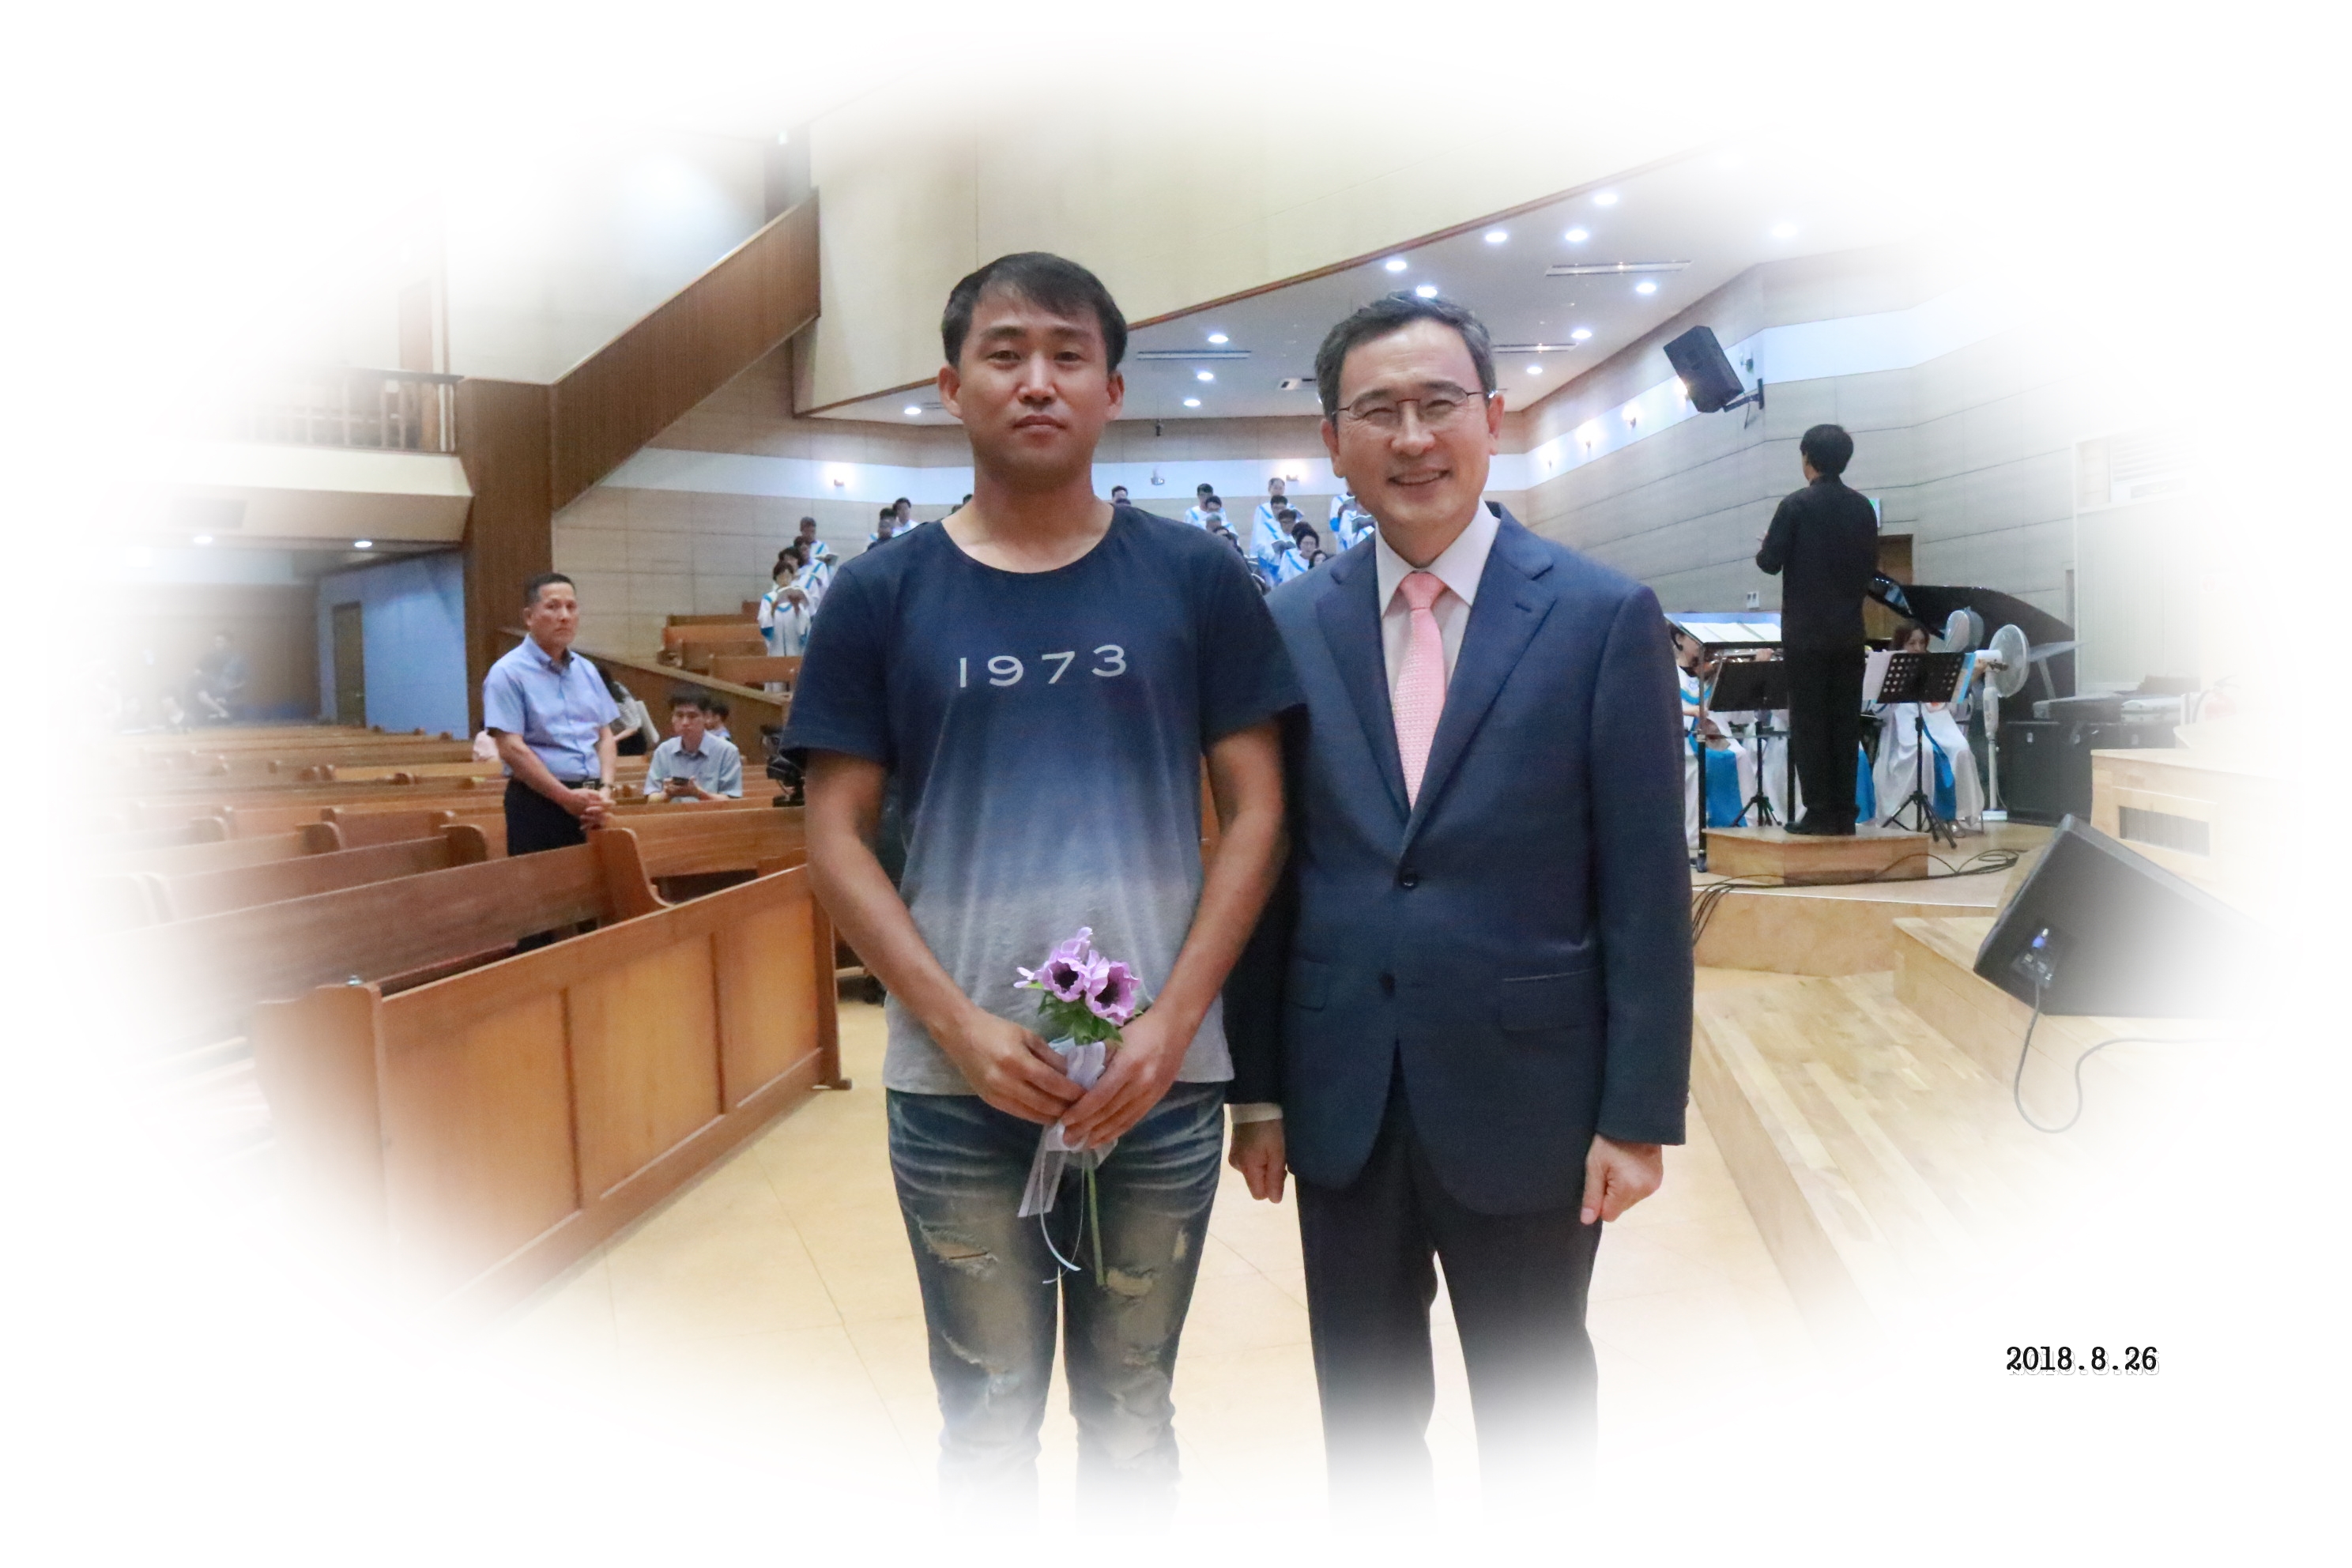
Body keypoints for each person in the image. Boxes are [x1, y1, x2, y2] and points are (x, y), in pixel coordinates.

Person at [785, 251, 1297, 1514]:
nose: (1037, 381)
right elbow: (834, 835)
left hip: (1156, 1082)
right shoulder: (880, 594)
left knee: (1133, 1413)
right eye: (1005, 354)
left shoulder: (1194, 576)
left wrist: (1176, 1021)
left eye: (1070, 356)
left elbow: (1259, 811)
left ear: (1113, 390)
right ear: (950, 384)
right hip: (959, 1086)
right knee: (985, 1421)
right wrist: (956, 1024)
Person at [1224, 291, 1690, 1507]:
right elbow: (1269, 871)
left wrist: (1638, 1113)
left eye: (1439, 404)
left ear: (1492, 415)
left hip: (1533, 1097)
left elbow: (1646, 883)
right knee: (1365, 1414)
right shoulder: (1289, 623)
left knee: (1537, 1412)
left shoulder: (1600, 616)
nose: (1413, 437)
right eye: (1377, 411)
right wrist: (1258, 1091)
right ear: (1332, 440)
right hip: (1342, 1096)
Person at [483, 574, 620, 946]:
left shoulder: (587, 670)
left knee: (593, 906)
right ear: (530, 616)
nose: (564, 616)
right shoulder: (507, 673)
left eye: (571, 607)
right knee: (540, 915)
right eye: (553, 606)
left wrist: (605, 791)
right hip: (539, 803)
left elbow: (605, 736)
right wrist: (565, 797)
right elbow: (512, 748)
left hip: (591, 802)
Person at [1755, 424, 1878, 835]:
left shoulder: (1795, 505)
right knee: (1845, 721)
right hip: (1849, 632)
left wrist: (1769, 543)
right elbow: (1868, 567)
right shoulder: (1863, 508)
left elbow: (1769, 562)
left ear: (1807, 457)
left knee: (1810, 722)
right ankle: (1845, 811)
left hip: (1807, 634)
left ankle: (1820, 810)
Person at [1868, 620, 1982, 831]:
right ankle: (1919, 817)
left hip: (1938, 725)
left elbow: (1951, 707)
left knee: (1961, 749)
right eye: (1912, 643)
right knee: (1925, 751)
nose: (1918, 648)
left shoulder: (1934, 668)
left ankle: (1955, 815)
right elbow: (1880, 711)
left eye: (1922, 643)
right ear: (1901, 644)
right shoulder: (1891, 668)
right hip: (1903, 731)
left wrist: (1968, 680)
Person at [646, 688, 744, 802]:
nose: (685, 723)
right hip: (674, 813)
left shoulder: (727, 751)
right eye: (679, 715)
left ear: (706, 717)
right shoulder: (663, 751)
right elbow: (651, 798)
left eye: (692, 716)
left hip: (712, 813)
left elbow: (732, 801)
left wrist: (699, 794)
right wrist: (666, 794)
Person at [760, 545, 815, 657]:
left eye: (787, 576)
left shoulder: (797, 595)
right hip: (776, 648)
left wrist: (797, 608)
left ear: (792, 577)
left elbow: (804, 623)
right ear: (775, 578)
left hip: (794, 648)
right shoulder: (768, 598)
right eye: (781, 576)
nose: (784, 580)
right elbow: (764, 623)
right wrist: (772, 610)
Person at [190, 631, 250, 722]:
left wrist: (234, 688)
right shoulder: (208, 657)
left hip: (231, 701)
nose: (217, 644)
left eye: (220, 642)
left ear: (229, 643)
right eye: (216, 642)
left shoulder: (238, 659)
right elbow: (197, 672)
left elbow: (245, 681)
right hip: (210, 702)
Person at [1273, 516, 1330, 582]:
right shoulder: (1292, 562)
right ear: (1299, 544)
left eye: (1312, 544)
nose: (1309, 547)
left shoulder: (1321, 560)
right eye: (1306, 543)